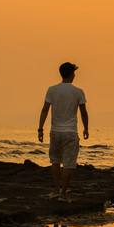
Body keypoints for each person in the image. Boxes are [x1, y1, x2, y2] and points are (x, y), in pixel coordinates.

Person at [37, 62, 89, 201]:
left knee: (55, 161)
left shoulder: (52, 90)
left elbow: (44, 110)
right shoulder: (78, 91)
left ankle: (56, 189)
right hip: (70, 132)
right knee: (69, 163)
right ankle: (63, 194)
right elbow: (83, 113)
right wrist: (86, 128)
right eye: (74, 72)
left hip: (55, 131)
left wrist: (40, 128)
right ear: (72, 74)